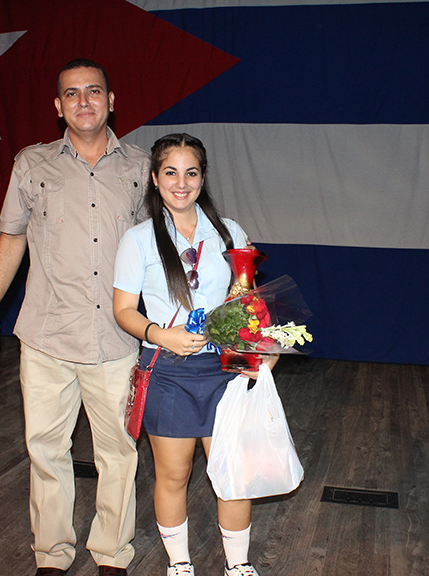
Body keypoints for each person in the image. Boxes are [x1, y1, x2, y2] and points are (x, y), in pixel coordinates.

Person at [0, 58, 149, 576]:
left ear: (111, 100)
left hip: (115, 339)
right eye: (71, 94)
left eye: (93, 91)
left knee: (118, 453)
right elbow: (11, 237)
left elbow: (157, 251)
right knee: (46, 451)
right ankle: (50, 557)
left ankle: (112, 556)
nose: (83, 102)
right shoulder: (31, 164)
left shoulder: (141, 167)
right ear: (58, 107)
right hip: (46, 336)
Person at [113, 133, 276, 576]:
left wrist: (262, 346)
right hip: (168, 370)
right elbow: (123, 311)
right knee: (173, 475)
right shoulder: (139, 239)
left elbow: (246, 302)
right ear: (154, 177)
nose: (181, 183)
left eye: (191, 173)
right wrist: (160, 336)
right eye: (170, 172)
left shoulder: (229, 231)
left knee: (232, 475)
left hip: (224, 370)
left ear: (203, 179)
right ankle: (179, 564)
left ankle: (237, 566)